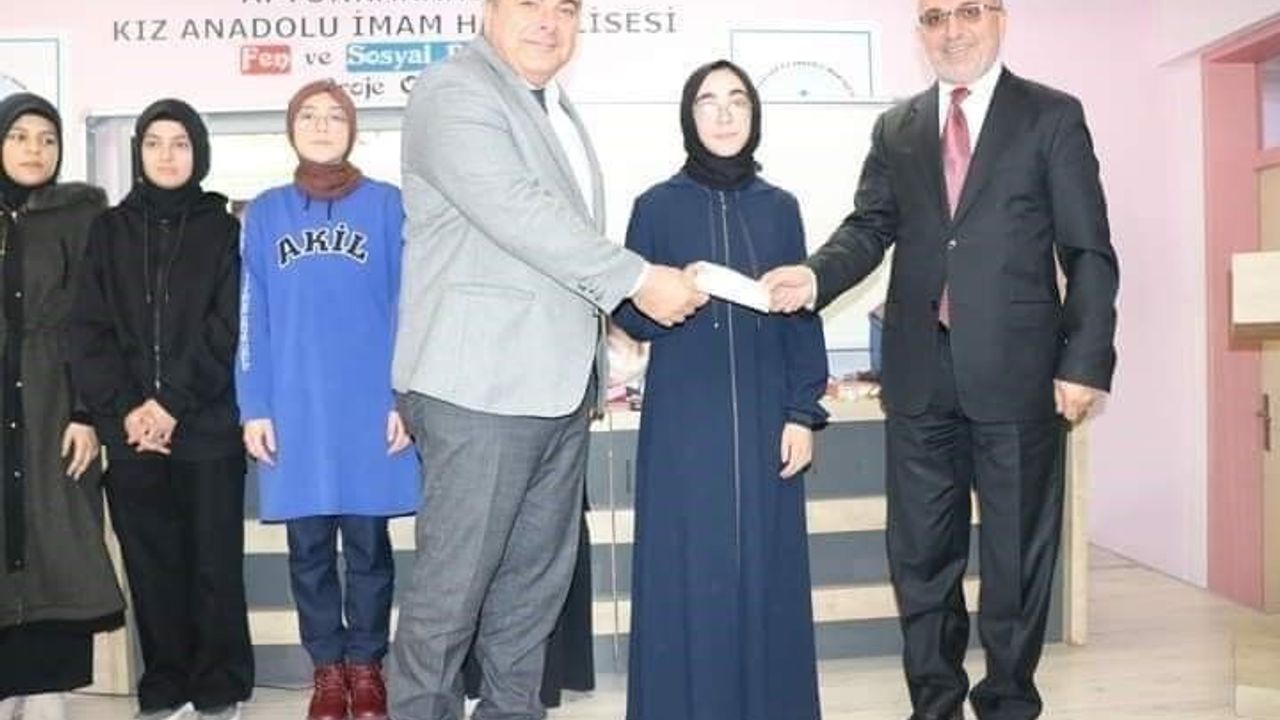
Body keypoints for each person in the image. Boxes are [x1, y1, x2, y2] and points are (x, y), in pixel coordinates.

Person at [763, 2, 1119, 718]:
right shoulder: (897, 126)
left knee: (1017, 560)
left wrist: (1083, 362)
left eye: (967, 11)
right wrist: (814, 275)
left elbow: (1088, 251)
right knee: (921, 559)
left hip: (1020, 377)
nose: (951, 30)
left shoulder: (1051, 116)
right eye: (933, 16)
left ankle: (1009, 702)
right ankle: (934, 705)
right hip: (919, 376)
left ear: (998, 18)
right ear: (919, 31)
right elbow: (869, 227)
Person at [386, 0, 708, 718]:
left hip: (557, 390)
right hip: (478, 390)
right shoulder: (454, 89)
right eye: (529, 3)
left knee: (529, 601)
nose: (548, 22)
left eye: (565, 8)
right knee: (449, 602)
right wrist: (638, 280)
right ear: (489, 11)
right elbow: (518, 210)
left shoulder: (553, 106)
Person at [612, 60, 829, 720]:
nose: (725, 113)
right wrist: (668, 295)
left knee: (768, 571)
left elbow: (801, 316)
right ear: (690, 116)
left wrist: (802, 412)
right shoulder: (656, 207)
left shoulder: (780, 208)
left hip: (767, 420)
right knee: (686, 572)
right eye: (709, 101)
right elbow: (629, 315)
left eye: (738, 100)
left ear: (754, 114)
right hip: (685, 422)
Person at [237, 79, 420, 720]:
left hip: (370, 409)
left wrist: (403, 398)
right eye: (308, 115)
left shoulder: (389, 206)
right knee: (309, 551)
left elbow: (409, 308)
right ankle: (327, 672)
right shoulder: (265, 213)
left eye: (334, 115)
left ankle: (366, 669)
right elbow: (251, 317)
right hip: (296, 411)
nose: (320, 125)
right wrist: (254, 406)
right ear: (291, 128)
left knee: (369, 548)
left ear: (353, 129)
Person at [71, 98, 252, 720]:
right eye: (154, 143)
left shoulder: (223, 230)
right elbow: (88, 330)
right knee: (152, 567)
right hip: (131, 434)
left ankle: (219, 686)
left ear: (199, 152)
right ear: (138, 153)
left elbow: (228, 326)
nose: (167, 155)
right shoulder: (109, 230)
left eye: (180, 143)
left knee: (213, 564)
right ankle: (167, 684)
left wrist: (170, 402)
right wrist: (128, 410)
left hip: (206, 427)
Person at [0, 92, 124, 720]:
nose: (34, 149)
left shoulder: (81, 216)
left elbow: (97, 322)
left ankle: (48, 696)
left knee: (58, 539)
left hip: (55, 402)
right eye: (20, 136)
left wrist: (86, 414)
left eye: (47, 138)